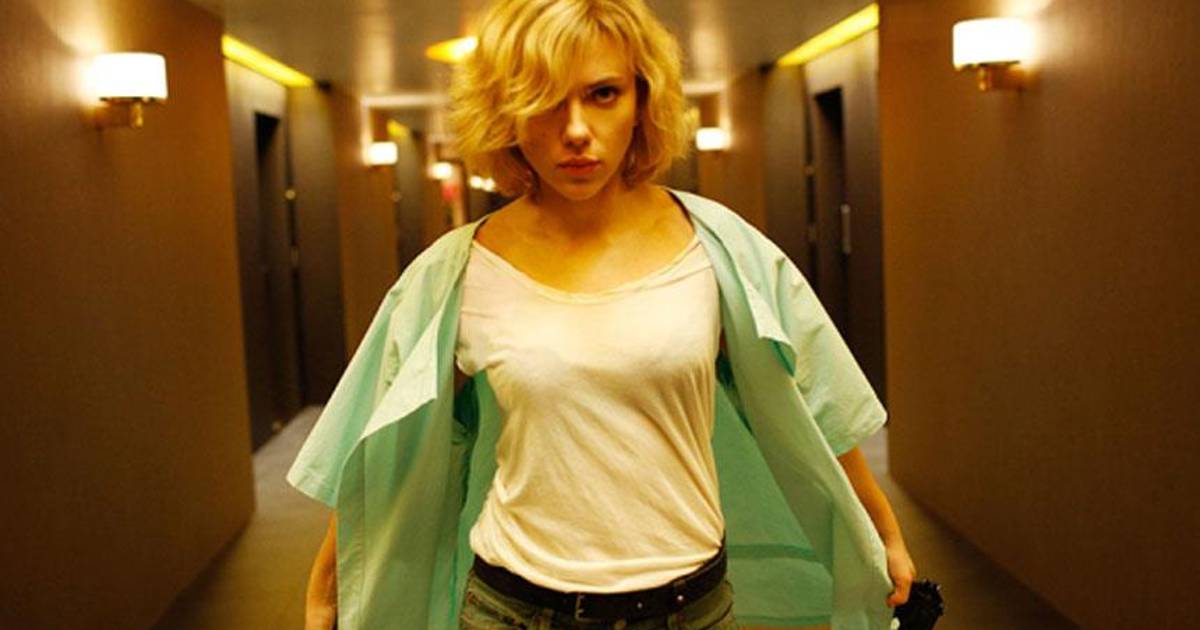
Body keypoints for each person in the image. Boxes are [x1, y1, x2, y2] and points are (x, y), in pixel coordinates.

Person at [292, 0, 916, 628]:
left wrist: (881, 530)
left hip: (690, 611)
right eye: (544, 101)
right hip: (514, 610)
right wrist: (327, 585)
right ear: (506, 113)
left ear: (642, 101)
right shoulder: (456, 273)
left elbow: (813, 398)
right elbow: (382, 443)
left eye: (602, 94)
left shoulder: (718, 248)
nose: (576, 131)